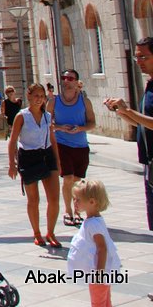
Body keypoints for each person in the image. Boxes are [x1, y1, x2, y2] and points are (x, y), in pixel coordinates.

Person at [104, 37, 153, 230]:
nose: (139, 62)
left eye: (143, 57)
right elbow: (142, 125)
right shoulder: (149, 85)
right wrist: (122, 112)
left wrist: (129, 111)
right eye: (136, 57)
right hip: (148, 162)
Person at [7, 83, 62, 247]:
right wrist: (12, 164)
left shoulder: (47, 116)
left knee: (54, 198)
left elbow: (52, 138)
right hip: (29, 157)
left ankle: (51, 232)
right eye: (36, 96)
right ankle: (37, 233)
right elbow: (13, 140)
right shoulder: (22, 116)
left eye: (42, 96)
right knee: (33, 199)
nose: (39, 99)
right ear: (29, 96)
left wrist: (58, 161)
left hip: (47, 155)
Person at [49, 69, 95, 227]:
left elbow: (92, 123)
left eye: (70, 78)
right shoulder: (54, 101)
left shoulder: (85, 101)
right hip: (62, 144)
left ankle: (77, 212)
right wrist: (60, 127)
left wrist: (80, 128)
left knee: (77, 180)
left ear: (76, 82)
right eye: (64, 78)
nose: (66, 81)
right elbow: (46, 123)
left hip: (81, 145)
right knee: (68, 178)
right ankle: (68, 211)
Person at [66, 179, 120, 307]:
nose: (75, 202)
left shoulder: (93, 224)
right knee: (105, 301)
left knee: (98, 302)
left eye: (78, 199)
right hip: (101, 271)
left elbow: (102, 248)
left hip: (98, 271)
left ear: (92, 201)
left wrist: (99, 273)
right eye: (74, 199)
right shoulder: (94, 220)